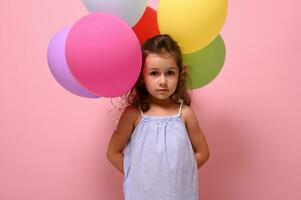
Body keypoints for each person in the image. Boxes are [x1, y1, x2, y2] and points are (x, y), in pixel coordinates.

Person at [106, 34, 210, 200]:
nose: (163, 81)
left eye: (169, 73)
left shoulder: (185, 114)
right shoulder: (133, 114)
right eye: (154, 73)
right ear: (142, 77)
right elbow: (113, 152)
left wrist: (178, 175)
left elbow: (202, 152)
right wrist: (138, 176)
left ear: (179, 75)